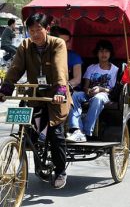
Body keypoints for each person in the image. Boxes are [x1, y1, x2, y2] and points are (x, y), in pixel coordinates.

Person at [0, 13, 72, 189]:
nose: (35, 34)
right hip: (36, 95)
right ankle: (25, 161)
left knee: (55, 134)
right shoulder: (25, 45)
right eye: (31, 30)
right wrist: (5, 89)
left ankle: (61, 171)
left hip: (56, 96)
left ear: (47, 29)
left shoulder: (57, 43)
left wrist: (61, 90)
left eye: (38, 29)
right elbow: (15, 68)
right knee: (26, 129)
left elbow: (59, 68)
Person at [67, 40, 118, 142]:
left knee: (98, 98)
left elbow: (112, 90)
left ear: (110, 53)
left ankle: (86, 131)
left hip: (105, 94)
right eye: (101, 51)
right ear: (97, 53)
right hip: (90, 93)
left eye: (106, 51)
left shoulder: (115, 69)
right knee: (74, 95)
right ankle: (77, 129)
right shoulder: (91, 68)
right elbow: (85, 86)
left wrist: (100, 89)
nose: (104, 54)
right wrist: (88, 91)